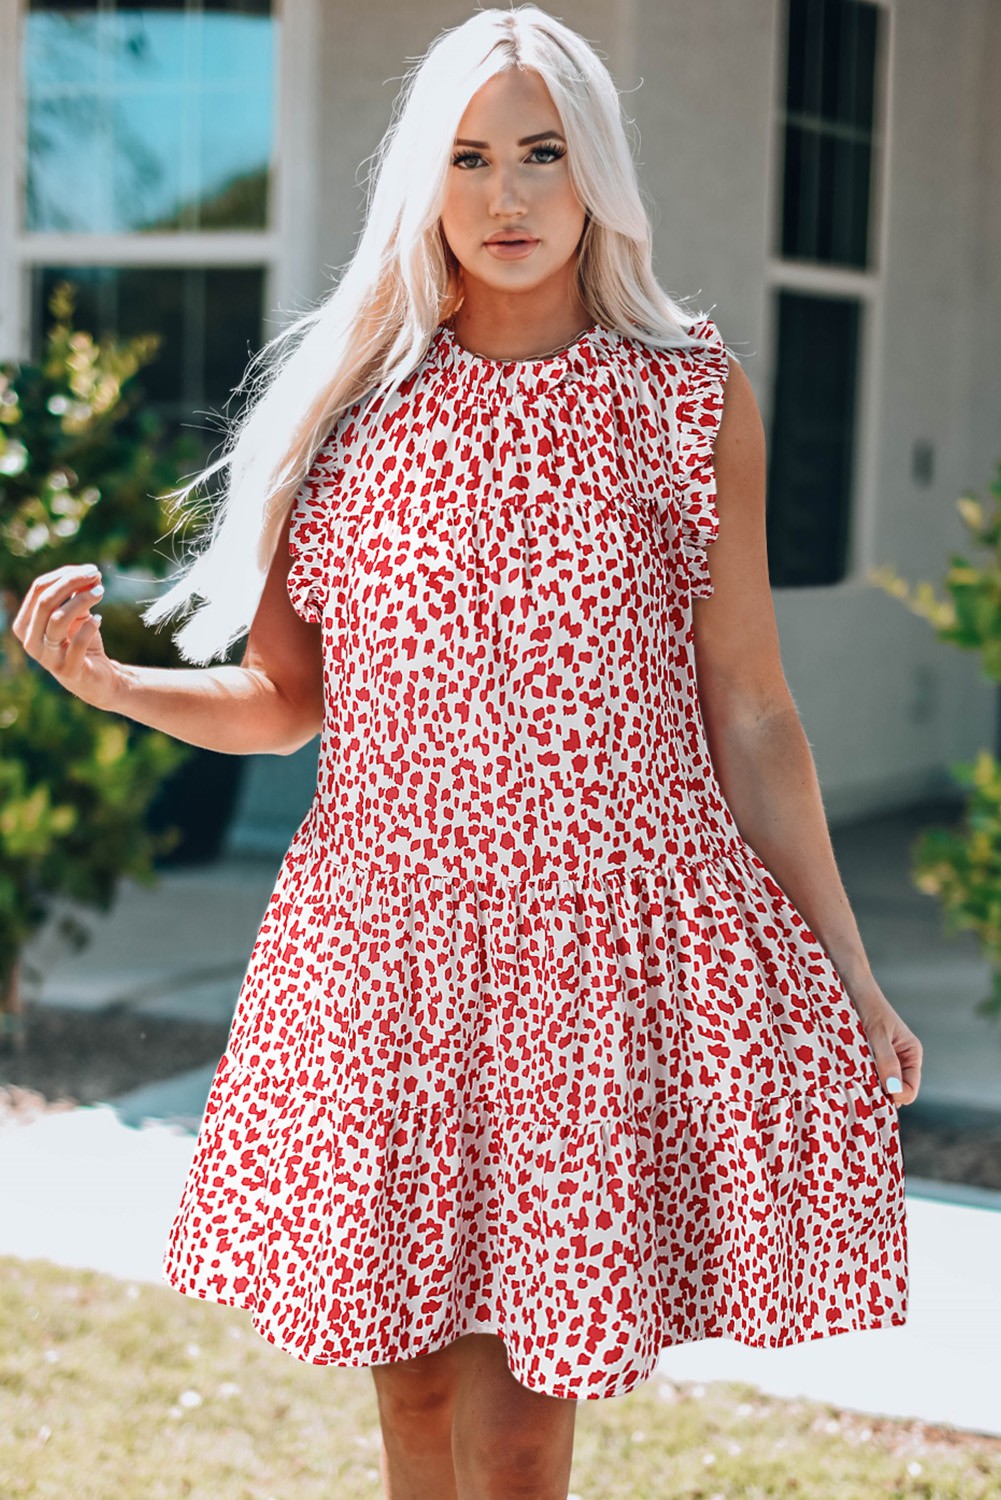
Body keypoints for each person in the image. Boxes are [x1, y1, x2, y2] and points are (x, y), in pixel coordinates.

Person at [13, 6, 923, 1498]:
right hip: (389, 949)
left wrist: (849, 964)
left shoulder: (685, 399)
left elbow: (750, 709)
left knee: (517, 1432)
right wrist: (113, 685)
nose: (507, 196)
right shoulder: (348, 413)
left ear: (596, 178)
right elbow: (285, 701)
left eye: (543, 154)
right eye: (470, 157)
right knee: (417, 1398)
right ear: (421, 183)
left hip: (588, 959)